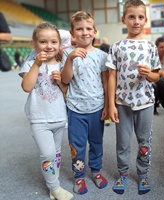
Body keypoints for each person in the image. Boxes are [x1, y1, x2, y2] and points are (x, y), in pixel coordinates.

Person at [106, 0, 160, 195]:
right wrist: (111, 104)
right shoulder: (117, 46)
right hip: (122, 103)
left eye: (140, 17)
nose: (136, 21)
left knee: (144, 141)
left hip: (145, 102)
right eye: (131, 17)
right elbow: (111, 77)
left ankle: (143, 173)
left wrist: (149, 74)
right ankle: (122, 173)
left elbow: (156, 76)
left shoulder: (150, 47)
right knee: (122, 142)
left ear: (145, 20)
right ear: (124, 19)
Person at [19, 22, 73, 200]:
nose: (49, 46)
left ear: (59, 43)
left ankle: (52, 182)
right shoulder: (30, 63)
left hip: (58, 116)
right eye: (43, 42)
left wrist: (60, 82)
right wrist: (36, 64)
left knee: (56, 153)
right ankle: (55, 187)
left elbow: (66, 91)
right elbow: (27, 87)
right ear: (34, 43)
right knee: (48, 154)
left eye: (53, 42)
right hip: (39, 118)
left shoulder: (61, 63)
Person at [60, 11, 109, 195]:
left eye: (88, 28)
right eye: (79, 29)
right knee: (77, 145)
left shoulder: (102, 56)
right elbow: (65, 80)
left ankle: (96, 171)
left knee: (96, 143)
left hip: (97, 108)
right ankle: (79, 175)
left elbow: (106, 83)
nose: (85, 32)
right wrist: (71, 58)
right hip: (75, 109)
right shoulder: (67, 55)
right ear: (73, 34)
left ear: (94, 31)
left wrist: (107, 105)